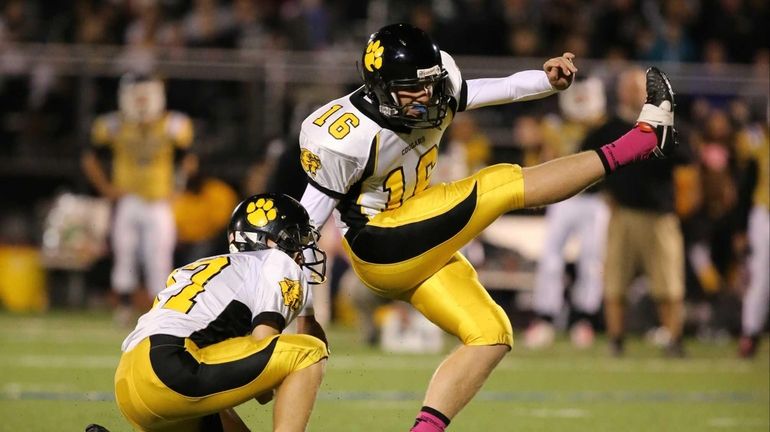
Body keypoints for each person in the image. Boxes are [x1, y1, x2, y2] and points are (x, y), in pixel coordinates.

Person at [296, 23, 677, 431]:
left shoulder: (436, 87)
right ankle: (641, 141)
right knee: (499, 182)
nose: (427, 96)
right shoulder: (342, 135)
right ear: (381, 88)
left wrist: (546, 82)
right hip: (379, 243)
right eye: (413, 88)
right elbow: (302, 229)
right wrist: (306, 316)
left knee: (491, 334)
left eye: (430, 83)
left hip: (422, 240)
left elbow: (499, 89)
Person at [86, 193, 329, 432]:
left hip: (131, 383)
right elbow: (266, 345)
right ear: (267, 241)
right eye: (295, 239)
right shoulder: (276, 262)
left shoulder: (205, 269)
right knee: (308, 351)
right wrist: (288, 382)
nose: (302, 251)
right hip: (172, 368)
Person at [81, 73, 198, 326]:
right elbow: (89, 157)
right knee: (125, 252)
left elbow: (189, 160)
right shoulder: (113, 125)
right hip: (129, 198)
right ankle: (124, 306)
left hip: (159, 200)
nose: (142, 102)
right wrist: (106, 188)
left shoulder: (173, 124)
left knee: (159, 256)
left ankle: (161, 307)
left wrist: (177, 189)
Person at [600, 67, 691, 358]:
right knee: (615, 281)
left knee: (668, 283)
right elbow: (585, 157)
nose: (628, 92)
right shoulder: (610, 126)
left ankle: (674, 339)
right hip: (623, 213)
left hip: (658, 214)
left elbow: (688, 155)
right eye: (625, 86)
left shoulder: (664, 124)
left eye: (635, 86)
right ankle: (615, 341)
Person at [525, 77, 610, 349]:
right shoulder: (555, 126)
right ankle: (545, 317)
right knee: (550, 257)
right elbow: (546, 159)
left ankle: (584, 319)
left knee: (591, 260)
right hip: (563, 199)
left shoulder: (602, 125)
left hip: (594, 199)